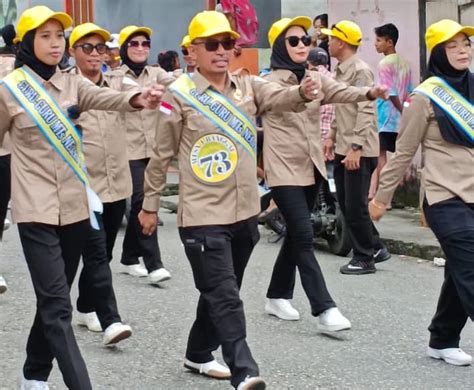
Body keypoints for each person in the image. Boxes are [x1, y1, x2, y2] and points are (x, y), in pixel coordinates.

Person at [138, 10, 322, 390]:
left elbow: (282, 96)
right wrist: (150, 205)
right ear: (193, 51)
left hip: (243, 213)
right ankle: (244, 369)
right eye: (212, 45)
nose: (222, 52)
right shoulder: (179, 96)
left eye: (228, 44)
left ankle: (198, 353)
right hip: (203, 214)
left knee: (222, 290)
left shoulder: (248, 86)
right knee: (224, 295)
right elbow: (160, 155)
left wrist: (302, 93)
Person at [0, 6, 163, 389]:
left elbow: (110, 99)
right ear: (27, 43)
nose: (56, 44)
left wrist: (139, 99)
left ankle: (33, 376)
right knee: (58, 305)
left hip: (75, 208)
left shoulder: (74, 84)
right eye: (46, 36)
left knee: (53, 301)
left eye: (60, 36)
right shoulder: (9, 91)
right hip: (35, 210)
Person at [262, 17, 387, 324]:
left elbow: (343, 91)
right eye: (294, 41)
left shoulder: (316, 76)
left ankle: (277, 296)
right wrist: (302, 93)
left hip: (312, 167)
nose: (303, 45)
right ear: (279, 45)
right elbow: (280, 99)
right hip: (282, 169)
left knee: (296, 233)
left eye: (305, 39)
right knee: (304, 235)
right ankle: (325, 307)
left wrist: (370, 93)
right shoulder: (266, 82)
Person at [370, 19, 473, 367]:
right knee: (470, 265)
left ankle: (443, 339)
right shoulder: (424, 98)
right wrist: (382, 198)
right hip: (445, 198)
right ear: (439, 52)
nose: (463, 51)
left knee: (459, 269)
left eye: (466, 44)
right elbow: (402, 152)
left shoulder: (473, 88)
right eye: (453, 45)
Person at [68, 22, 134, 344]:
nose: (95, 54)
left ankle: (84, 304)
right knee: (94, 252)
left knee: (104, 252)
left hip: (116, 179)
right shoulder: (65, 87)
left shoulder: (119, 82)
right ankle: (110, 319)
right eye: (87, 48)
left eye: (101, 48)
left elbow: (139, 96)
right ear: (74, 52)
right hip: (84, 183)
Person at [322, 20, 391, 275]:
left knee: (355, 205)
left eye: (331, 39)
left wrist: (356, 147)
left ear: (341, 43)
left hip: (358, 149)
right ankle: (374, 247)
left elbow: (365, 111)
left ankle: (364, 257)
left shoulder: (360, 71)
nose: (328, 43)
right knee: (346, 202)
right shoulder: (340, 71)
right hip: (344, 145)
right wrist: (331, 135)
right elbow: (342, 109)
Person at [118, 25, 174, 284]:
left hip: (154, 148)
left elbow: (179, 85)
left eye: (145, 43)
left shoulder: (157, 73)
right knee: (142, 199)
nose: (140, 48)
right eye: (134, 43)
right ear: (124, 48)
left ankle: (129, 257)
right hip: (127, 149)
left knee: (141, 204)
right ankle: (154, 264)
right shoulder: (116, 77)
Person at [369, 23, 412, 201]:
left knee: (380, 157)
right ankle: (376, 194)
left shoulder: (384, 63)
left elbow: (390, 93)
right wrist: (407, 113)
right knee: (395, 157)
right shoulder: (405, 64)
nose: (375, 44)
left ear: (390, 42)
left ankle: (382, 198)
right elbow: (409, 92)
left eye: (379, 40)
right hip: (399, 119)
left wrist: (400, 109)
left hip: (385, 117)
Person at [307, 47, 335, 142]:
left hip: (314, 138)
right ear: (326, 65)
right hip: (333, 138)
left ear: (308, 64)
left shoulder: (308, 80)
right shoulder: (335, 79)